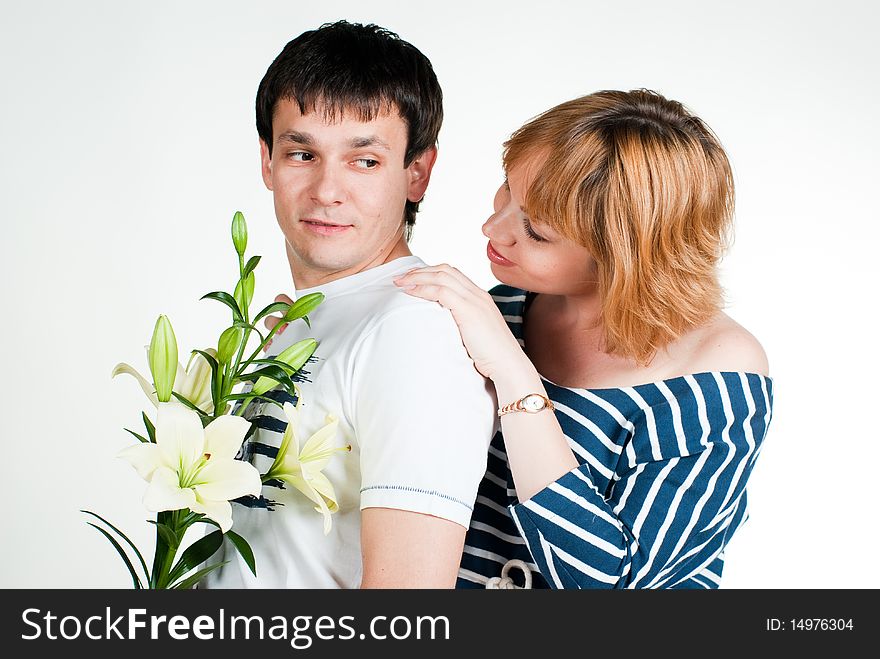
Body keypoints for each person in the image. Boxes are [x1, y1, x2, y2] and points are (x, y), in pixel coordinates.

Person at [391, 89, 773, 588]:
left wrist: (514, 375)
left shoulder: (715, 377)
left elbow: (612, 586)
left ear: (627, 256)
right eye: (507, 189)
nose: (492, 227)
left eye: (537, 231)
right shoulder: (502, 307)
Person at [203, 21, 496, 589]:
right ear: (267, 161)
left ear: (418, 172)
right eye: (301, 153)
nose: (326, 190)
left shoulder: (415, 328)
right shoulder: (301, 318)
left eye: (364, 161)